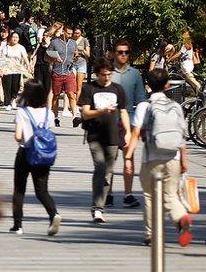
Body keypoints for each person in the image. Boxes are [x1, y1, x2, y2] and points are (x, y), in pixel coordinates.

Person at [124, 68, 193, 246]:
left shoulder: (143, 106)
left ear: (148, 85)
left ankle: (151, 234)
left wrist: (128, 157)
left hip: (151, 158)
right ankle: (181, 219)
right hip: (174, 157)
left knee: (149, 196)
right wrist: (184, 161)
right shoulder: (176, 106)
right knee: (171, 195)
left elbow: (135, 133)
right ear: (167, 85)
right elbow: (182, 136)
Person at [78, 58, 131, 224]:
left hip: (113, 136)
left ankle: (99, 207)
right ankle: (97, 209)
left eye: (109, 74)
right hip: (94, 136)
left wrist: (128, 132)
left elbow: (123, 112)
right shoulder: (89, 88)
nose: (107, 77)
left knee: (107, 174)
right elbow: (85, 113)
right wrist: (101, 111)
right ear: (97, 74)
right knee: (100, 169)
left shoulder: (118, 89)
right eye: (103, 75)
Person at [11, 80, 60, 236]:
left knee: (19, 189)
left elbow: (18, 136)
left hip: (25, 153)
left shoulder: (22, 112)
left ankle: (18, 225)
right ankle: (53, 214)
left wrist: (23, 136)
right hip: (43, 155)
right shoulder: (49, 113)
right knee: (42, 190)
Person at [108, 39, 144, 209]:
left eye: (126, 52)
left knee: (128, 157)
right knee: (109, 158)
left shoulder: (135, 74)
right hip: (109, 121)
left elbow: (141, 101)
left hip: (128, 121)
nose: (123, 55)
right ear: (114, 53)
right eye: (120, 52)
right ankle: (107, 194)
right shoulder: (107, 72)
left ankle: (128, 194)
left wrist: (140, 125)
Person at [47, 24, 79, 125]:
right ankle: (56, 117)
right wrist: (54, 59)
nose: (70, 35)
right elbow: (46, 57)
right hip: (57, 72)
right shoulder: (54, 42)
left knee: (71, 94)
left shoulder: (73, 43)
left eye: (71, 33)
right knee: (56, 96)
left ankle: (75, 117)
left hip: (69, 72)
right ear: (63, 32)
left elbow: (75, 54)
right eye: (68, 33)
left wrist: (76, 57)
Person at [0, 31, 29, 110]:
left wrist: (28, 67)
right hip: (7, 69)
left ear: (19, 39)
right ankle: (8, 103)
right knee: (7, 86)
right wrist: (1, 70)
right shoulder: (6, 47)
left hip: (17, 69)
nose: (15, 39)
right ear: (10, 38)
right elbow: (2, 59)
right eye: (13, 37)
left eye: (16, 37)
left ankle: (13, 99)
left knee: (15, 86)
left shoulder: (21, 47)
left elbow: (25, 58)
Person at [72, 27, 91, 94]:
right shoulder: (71, 40)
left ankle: (76, 102)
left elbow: (88, 54)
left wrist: (82, 50)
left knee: (79, 85)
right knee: (72, 84)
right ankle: (72, 102)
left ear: (81, 33)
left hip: (81, 63)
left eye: (78, 33)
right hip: (72, 63)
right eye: (75, 33)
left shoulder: (84, 40)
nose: (76, 35)